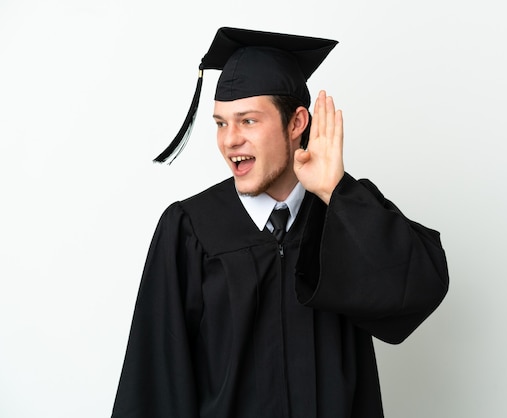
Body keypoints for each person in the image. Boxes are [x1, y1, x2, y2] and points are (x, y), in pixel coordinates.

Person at [111, 27, 449, 418]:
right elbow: (154, 380)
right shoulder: (190, 228)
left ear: (296, 124)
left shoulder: (345, 213)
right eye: (221, 123)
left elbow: (420, 288)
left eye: (248, 121)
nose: (229, 140)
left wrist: (338, 193)